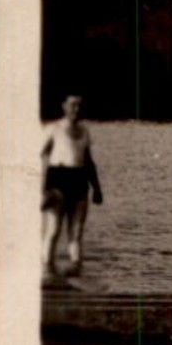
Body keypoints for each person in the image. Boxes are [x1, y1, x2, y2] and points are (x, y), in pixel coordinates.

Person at [40, 94, 103, 276]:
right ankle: (47, 270)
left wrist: (97, 188)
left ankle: (76, 270)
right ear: (64, 106)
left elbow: (89, 162)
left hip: (79, 183)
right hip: (57, 182)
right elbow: (36, 156)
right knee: (53, 230)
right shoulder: (54, 129)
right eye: (73, 105)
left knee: (76, 232)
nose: (76, 109)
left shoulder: (85, 131)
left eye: (80, 106)